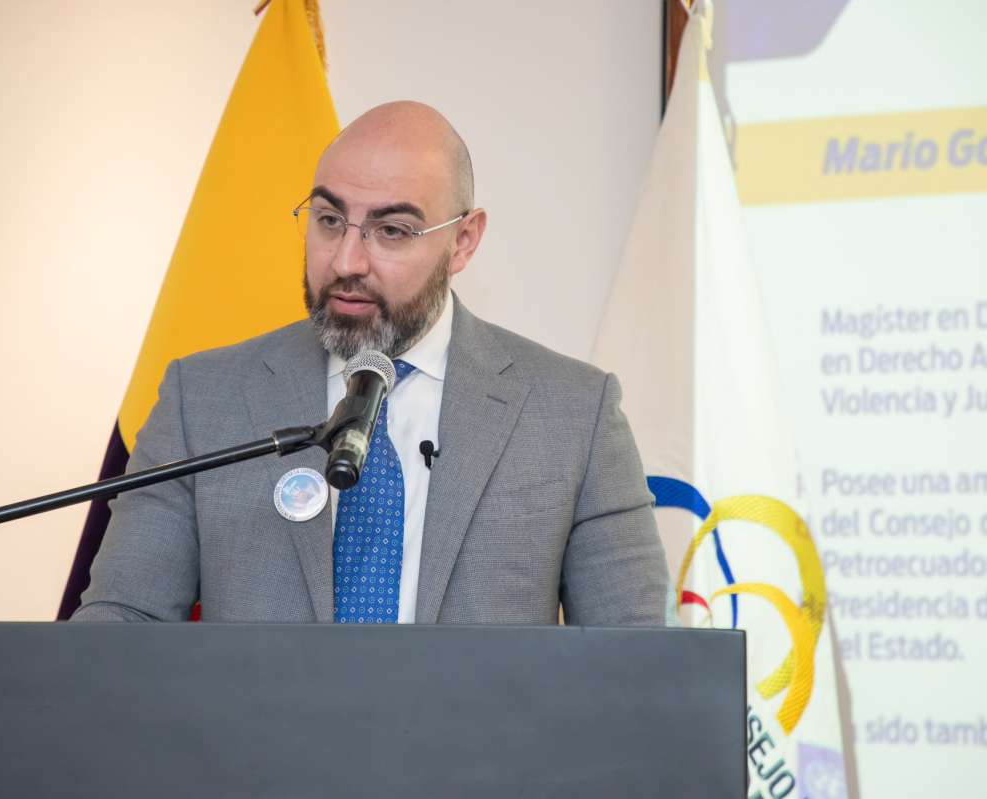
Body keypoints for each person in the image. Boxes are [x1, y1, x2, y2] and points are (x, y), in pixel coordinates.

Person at [73, 101, 669, 625]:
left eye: (392, 230)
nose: (346, 261)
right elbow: (123, 621)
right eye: (329, 220)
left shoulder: (573, 415)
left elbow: (637, 662)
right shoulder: (201, 399)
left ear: (462, 241)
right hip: (253, 753)